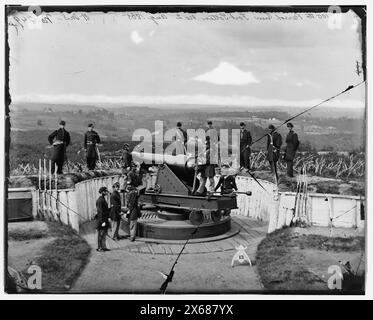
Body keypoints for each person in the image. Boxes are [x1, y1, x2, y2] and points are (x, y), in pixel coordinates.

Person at [96, 186, 111, 252]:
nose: (107, 192)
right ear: (102, 192)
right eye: (105, 191)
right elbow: (100, 212)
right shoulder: (100, 200)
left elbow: (105, 210)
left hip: (104, 219)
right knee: (101, 234)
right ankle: (99, 248)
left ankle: (104, 247)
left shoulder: (102, 199)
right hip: (102, 220)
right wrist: (102, 222)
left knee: (104, 234)